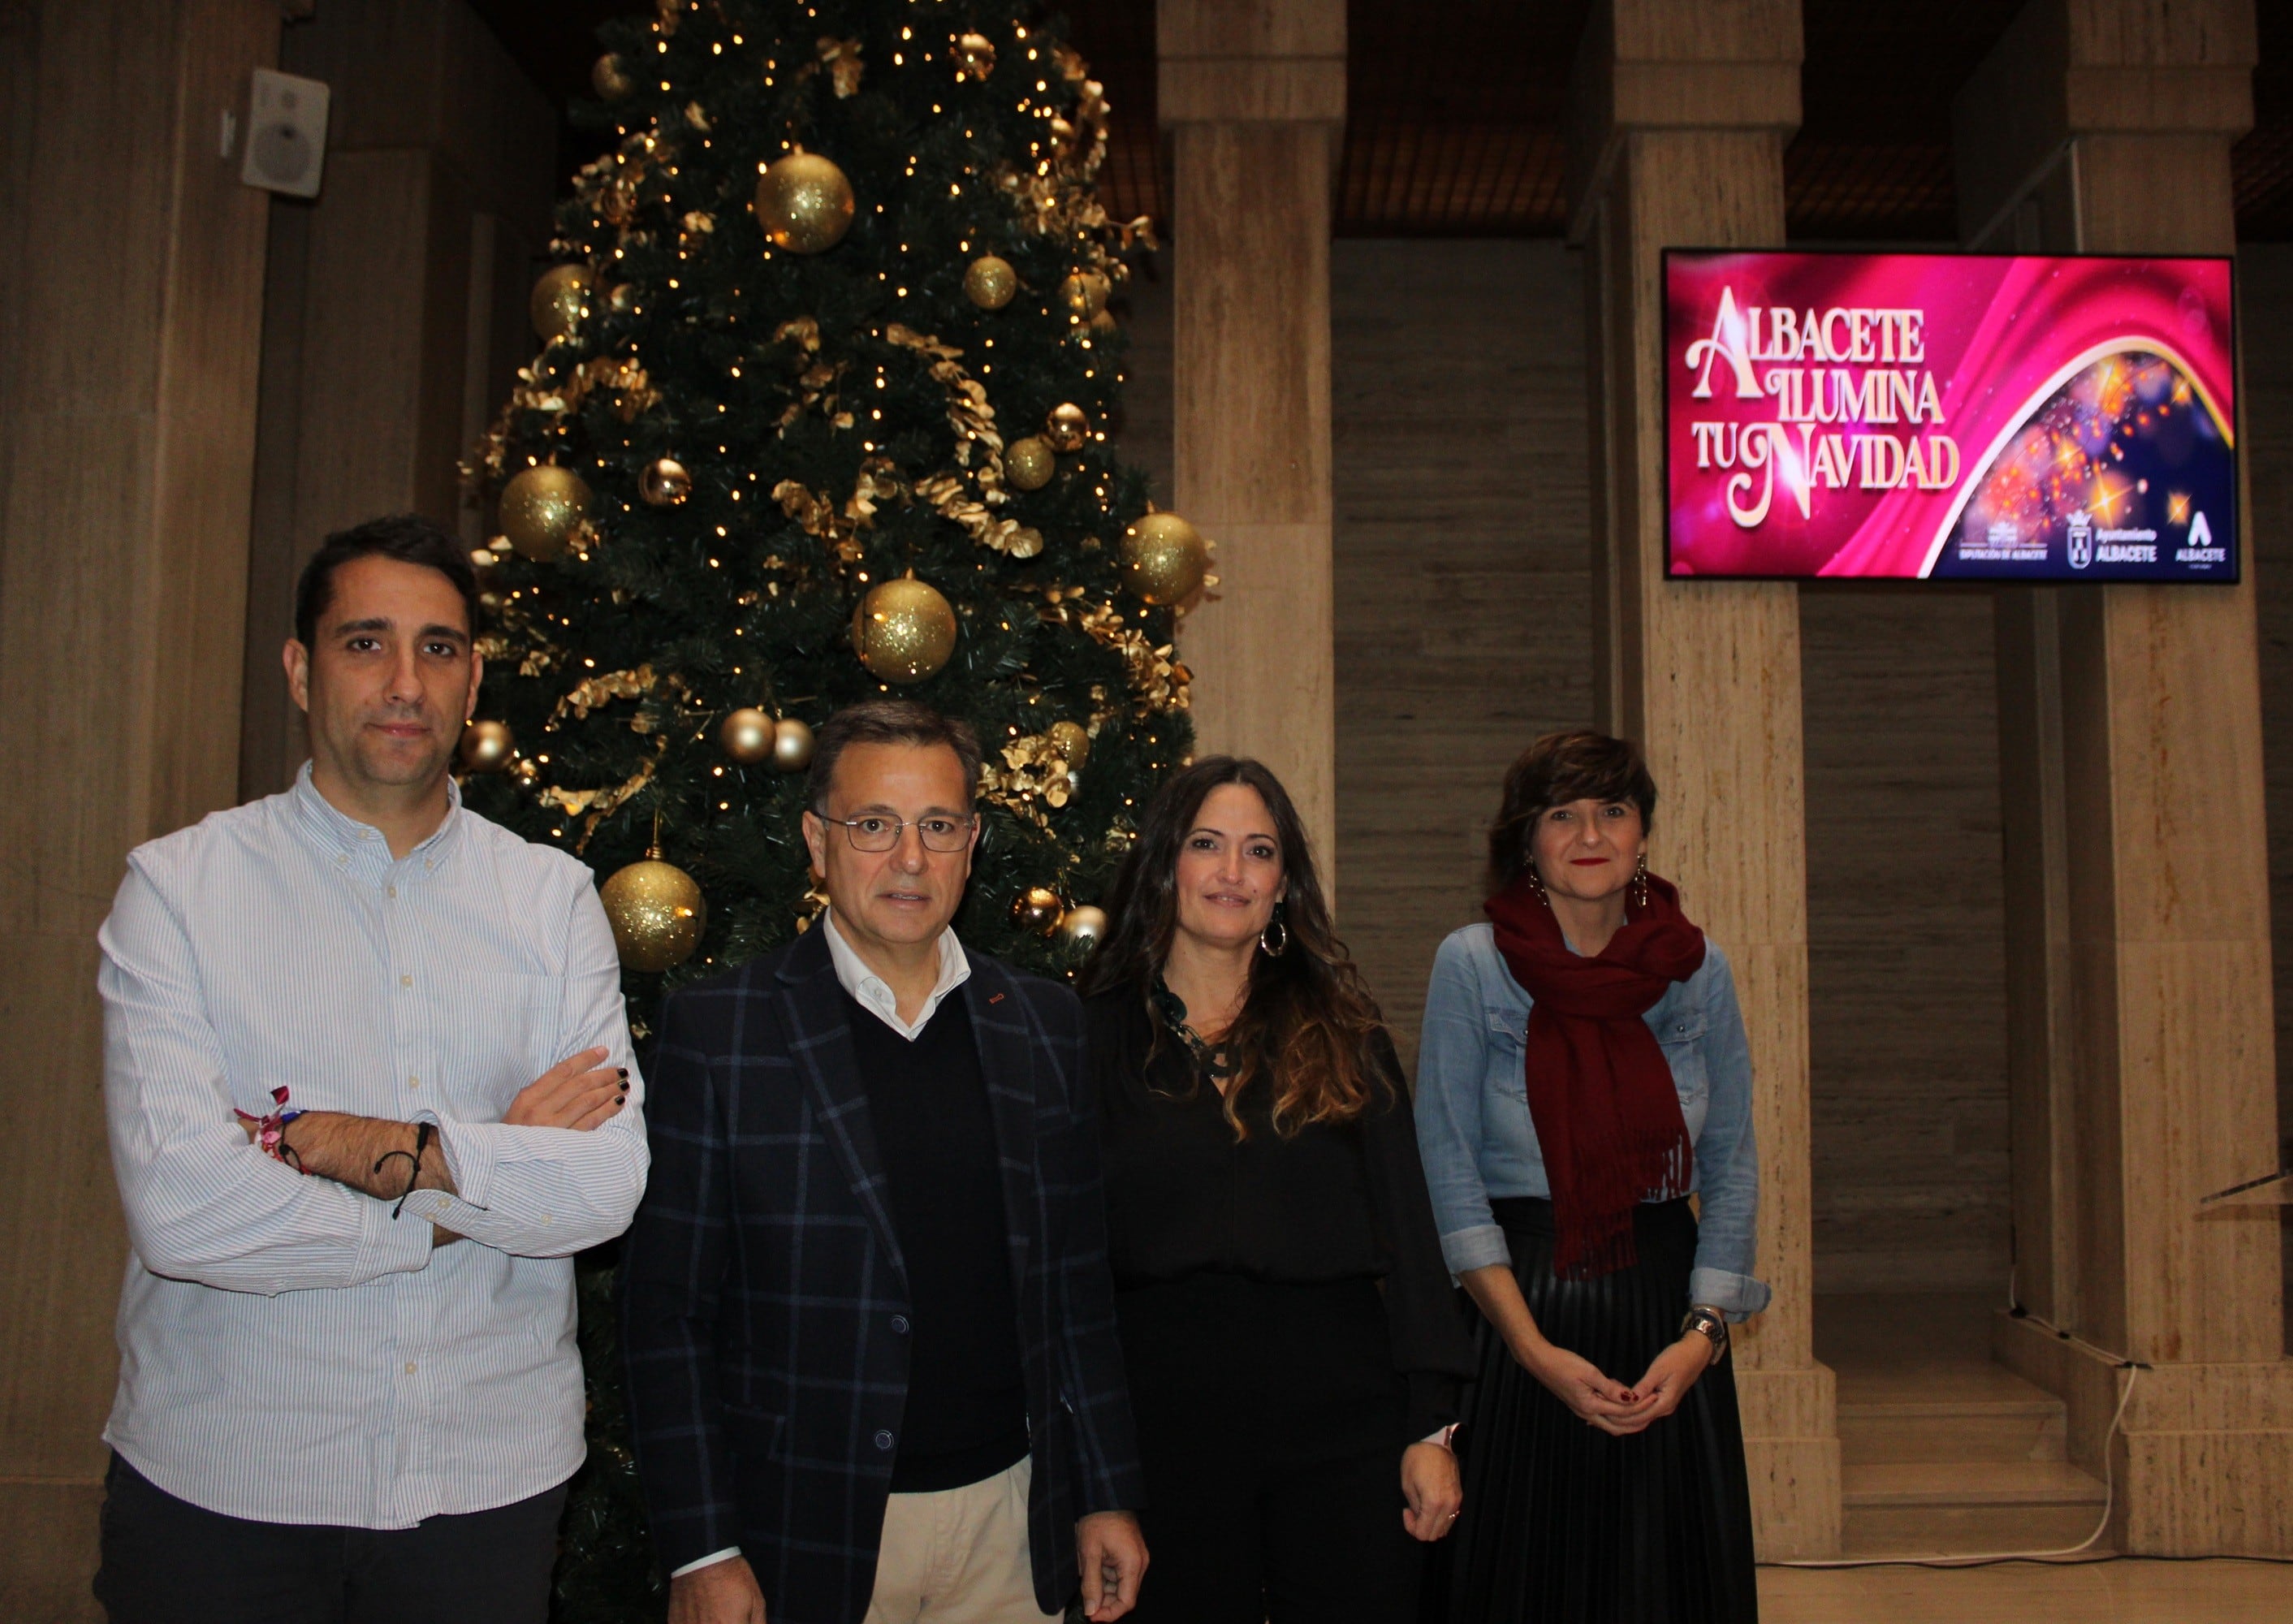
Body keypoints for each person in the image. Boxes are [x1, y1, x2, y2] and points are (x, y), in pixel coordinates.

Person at [93, 513, 649, 1623]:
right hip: (225, 1485)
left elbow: (602, 1189)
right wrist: (458, 1176)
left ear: (475, 677)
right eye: (365, 644)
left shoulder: (550, 901)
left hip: (484, 1490)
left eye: (439, 648)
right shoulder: (179, 893)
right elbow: (185, 1215)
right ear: (301, 670)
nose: (405, 681)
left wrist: (375, 1151)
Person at [621, 700, 1149, 1624]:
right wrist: (703, 1545)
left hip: (1009, 1524)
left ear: (973, 840)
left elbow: (1075, 1286)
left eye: (938, 826)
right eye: (874, 825)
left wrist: (1104, 1487)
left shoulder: (1041, 1022)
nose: (910, 858)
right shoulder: (721, 1032)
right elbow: (667, 1316)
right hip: (802, 1529)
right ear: (817, 842)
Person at [1077, 757, 1474, 1624]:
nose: (1230, 872)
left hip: (1341, 1417)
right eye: (1206, 844)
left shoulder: (1344, 1030)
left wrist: (1429, 1425)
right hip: (1160, 1423)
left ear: (1282, 882)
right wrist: (1091, 1474)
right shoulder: (1090, 1036)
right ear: (1162, 865)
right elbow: (1065, 1268)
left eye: (1257, 850)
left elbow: (1409, 1229)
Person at [1416, 728, 1764, 1624]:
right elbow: (1447, 1171)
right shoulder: (1473, 964)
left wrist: (1701, 1336)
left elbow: (1729, 1162)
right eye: (1560, 813)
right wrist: (1532, 1352)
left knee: (1660, 1583)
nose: (1589, 832)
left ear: (1642, 831)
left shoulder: (1697, 969)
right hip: (1516, 1317)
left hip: (1664, 1320)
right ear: (1525, 840)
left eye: (1612, 809)